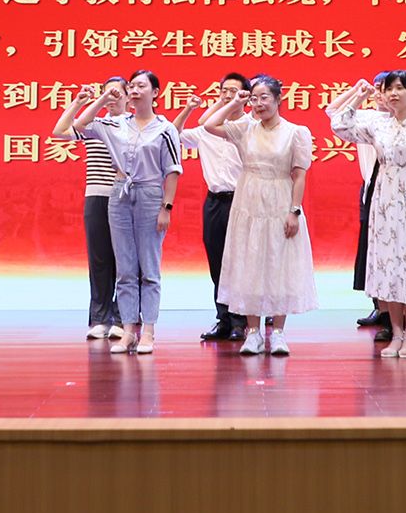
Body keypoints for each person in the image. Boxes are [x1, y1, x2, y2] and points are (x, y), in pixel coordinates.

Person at [200, 75, 316, 356]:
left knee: (278, 263)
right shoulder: (245, 128)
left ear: (278, 99)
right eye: (254, 98)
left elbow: (299, 175)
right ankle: (253, 334)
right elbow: (209, 125)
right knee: (249, 263)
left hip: (280, 200)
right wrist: (234, 103)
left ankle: (278, 333)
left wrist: (294, 210)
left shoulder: (295, 132)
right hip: (249, 201)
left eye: (264, 97)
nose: (259, 103)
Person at [330, 71, 406, 358]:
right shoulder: (378, 124)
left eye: (399, 88)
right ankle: (396, 333)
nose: (393, 94)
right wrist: (359, 96)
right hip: (384, 201)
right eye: (388, 89)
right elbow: (339, 124)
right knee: (389, 267)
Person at [72, 70, 183, 354]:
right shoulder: (117, 123)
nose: (134, 90)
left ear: (155, 93)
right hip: (119, 194)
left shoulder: (165, 128)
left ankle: (149, 331)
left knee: (149, 268)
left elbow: (172, 171)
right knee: (125, 269)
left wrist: (166, 207)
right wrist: (102, 100)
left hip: (150, 194)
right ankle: (129, 331)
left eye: (141, 86)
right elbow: (80, 124)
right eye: (131, 86)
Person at [173, 72, 249, 344]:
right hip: (215, 201)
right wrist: (188, 109)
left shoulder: (251, 126)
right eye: (224, 91)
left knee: (241, 263)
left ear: (246, 96)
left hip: (243, 201)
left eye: (234, 91)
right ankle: (224, 319)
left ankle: (242, 321)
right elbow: (173, 134)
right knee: (217, 262)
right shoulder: (207, 130)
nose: (228, 95)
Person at [54, 76, 130, 342]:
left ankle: (122, 318)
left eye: (117, 93)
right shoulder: (95, 123)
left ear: (128, 96)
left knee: (125, 260)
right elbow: (60, 131)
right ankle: (99, 318)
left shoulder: (134, 125)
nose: (112, 98)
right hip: (96, 196)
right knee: (99, 260)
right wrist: (80, 101)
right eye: (108, 93)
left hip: (124, 197)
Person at [328, 75, 391, 344]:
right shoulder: (364, 117)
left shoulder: (402, 121)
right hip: (370, 189)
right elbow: (333, 112)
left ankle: (393, 315)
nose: (380, 94)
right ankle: (379, 307)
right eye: (377, 89)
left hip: (392, 191)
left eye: (386, 89)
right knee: (370, 251)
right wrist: (357, 92)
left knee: (388, 253)